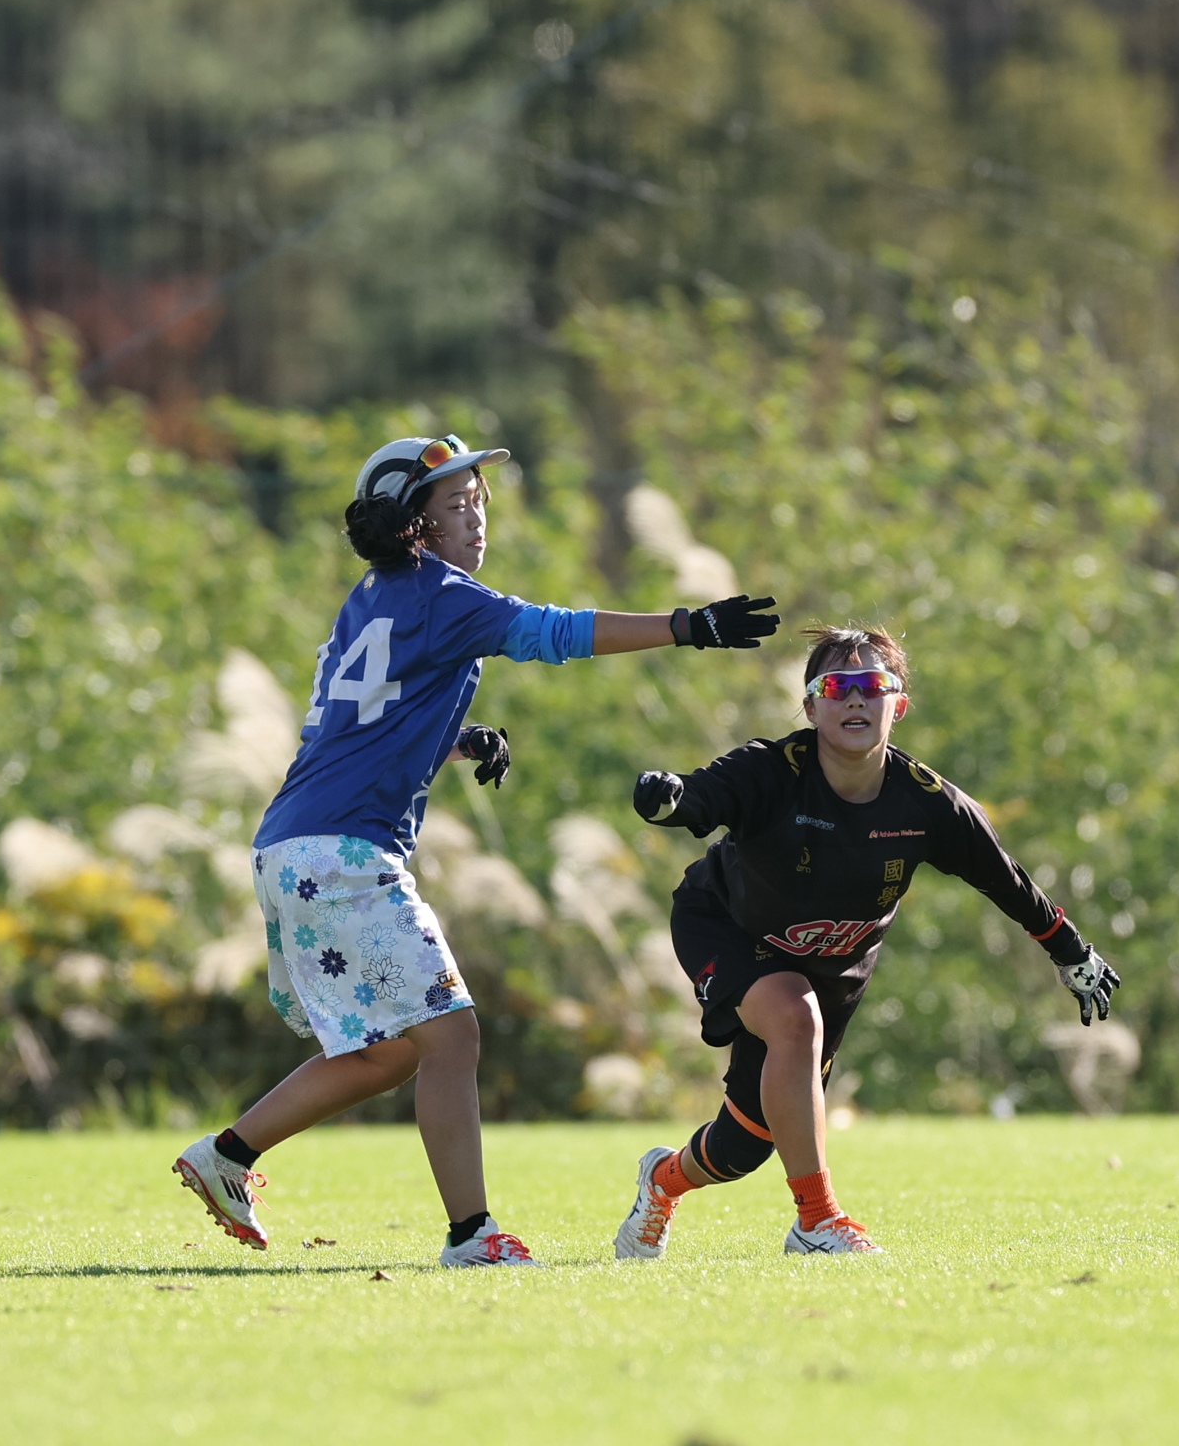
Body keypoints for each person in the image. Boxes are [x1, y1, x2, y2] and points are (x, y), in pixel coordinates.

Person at [173, 433, 778, 1267]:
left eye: (478, 501)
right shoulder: (444, 593)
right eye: (457, 504)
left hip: (293, 847)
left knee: (388, 1053)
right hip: (344, 852)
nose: (477, 517)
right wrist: (687, 625)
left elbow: (364, 725)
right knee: (452, 1037)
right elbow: (554, 633)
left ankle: (227, 1156)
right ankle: (472, 1235)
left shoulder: (372, 596)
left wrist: (454, 741)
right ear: (411, 523)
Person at [611, 624, 1120, 1258]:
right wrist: (671, 799)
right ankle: (817, 1221)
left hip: (835, 966)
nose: (855, 698)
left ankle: (662, 1181)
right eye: (836, 687)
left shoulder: (930, 804)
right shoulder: (771, 769)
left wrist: (1071, 950)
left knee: (744, 1144)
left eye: (872, 685)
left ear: (897, 705)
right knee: (794, 1017)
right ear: (810, 707)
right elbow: (703, 795)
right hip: (725, 924)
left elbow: (1006, 880)